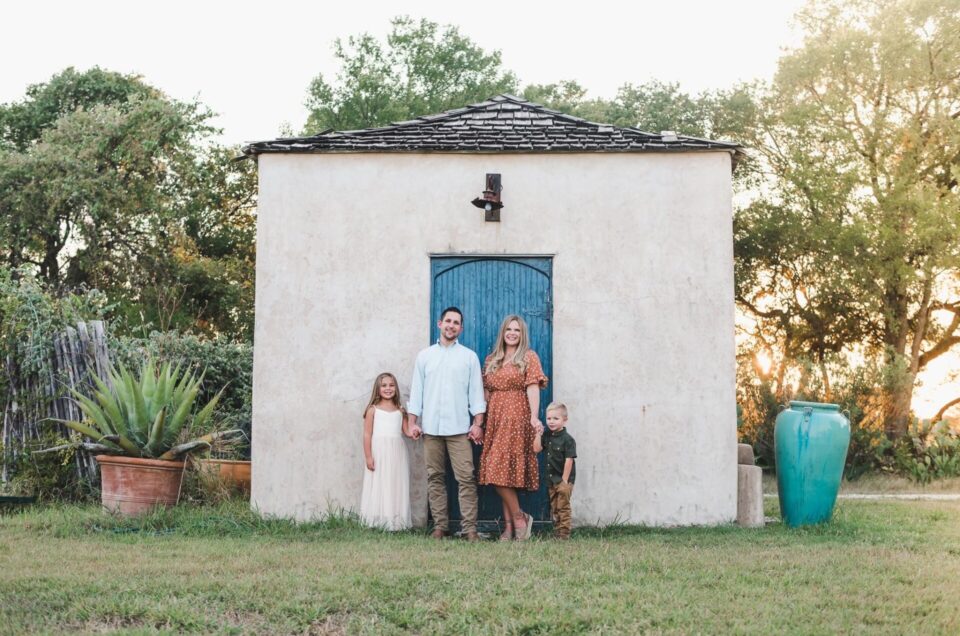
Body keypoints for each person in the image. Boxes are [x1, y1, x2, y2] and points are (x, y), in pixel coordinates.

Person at [407, 307, 486, 541]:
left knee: (466, 478)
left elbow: (476, 393)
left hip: (460, 429)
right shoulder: (425, 356)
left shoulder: (469, 357)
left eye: (456, 323)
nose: (452, 325)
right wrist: (413, 422)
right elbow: (417, 392)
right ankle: (441, 526)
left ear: (461, 328)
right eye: (448, 321)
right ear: (439, 324)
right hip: (431, 429)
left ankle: (470, 528)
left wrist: (477, 423)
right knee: (435, 477)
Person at [478, 314, 548, 541]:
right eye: (509, 329)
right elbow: (486, 393)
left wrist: (534, 417)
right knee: (500, 472)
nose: (512, 333)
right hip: (496, 419)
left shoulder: (528, 357)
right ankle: (511, 526)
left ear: (522, 334)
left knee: (502, 470)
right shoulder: (491, 359)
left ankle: (518, 520)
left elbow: (533, 388)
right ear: (503, 332)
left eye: (517, 330)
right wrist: (479, 420)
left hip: (517, 418)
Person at [359, 372, 412, 530]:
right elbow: (367, 434)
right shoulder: (373, 410)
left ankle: (395, 521)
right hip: (379, 451)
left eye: (391, 385)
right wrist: (368, 456)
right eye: (384, 385)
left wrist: (414, 432)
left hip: (397, 452)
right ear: (378, 389)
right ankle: (377, 519)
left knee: (395, 482)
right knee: (380, 483)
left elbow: (407, 432)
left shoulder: (400, 410)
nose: (388, 388)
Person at [533, 402, 577, 539]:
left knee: (563, 507)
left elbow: (569, 460)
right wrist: (538, 434)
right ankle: (557, 532)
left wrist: (564, 480)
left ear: (565, 420)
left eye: (555, 419)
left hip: (563, 480)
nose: (551, 422)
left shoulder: (568, 440)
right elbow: (536, 449)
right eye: (549, 418)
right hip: (551, 480)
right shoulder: (547, 435)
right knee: (555, 507)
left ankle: (564, 534)